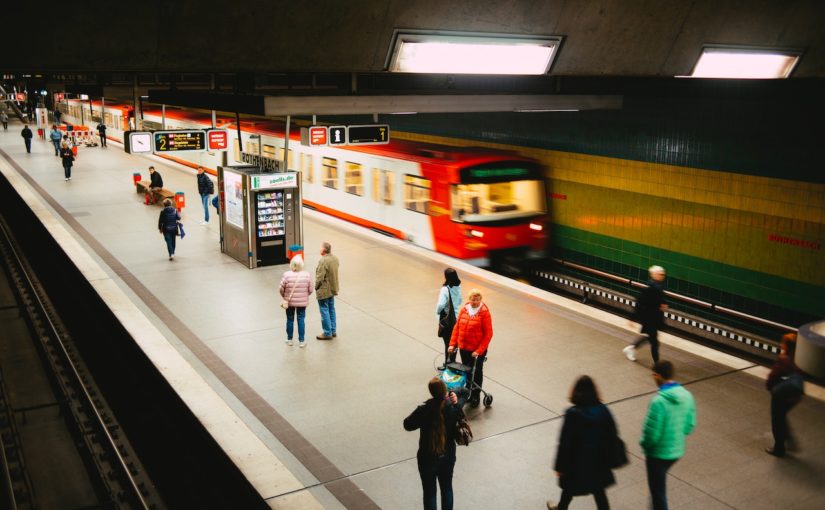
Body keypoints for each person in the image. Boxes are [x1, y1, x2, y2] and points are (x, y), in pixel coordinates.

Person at [548, 376, 618, 510]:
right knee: (599, 491)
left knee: (569, 488)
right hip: (598, 461)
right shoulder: (603, 410)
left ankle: (561, 508)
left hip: (576, 462)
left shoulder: (572, 414)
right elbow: (612, 434)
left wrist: (560, 467)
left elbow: (565, 443)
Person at [640, 360, 696, 510]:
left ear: (658, 375)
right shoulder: (687, 395)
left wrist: (644, 445)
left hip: (657, 454)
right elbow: (689, 426)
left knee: (658, 493)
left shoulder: (658, 402)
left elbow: (651, 434)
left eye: (653, 375)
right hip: (676, 451)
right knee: (657, 488)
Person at [404, 377, 464, 510]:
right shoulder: (453, 408)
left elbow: (407, 425)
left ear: (431, 392)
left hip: (427, 457)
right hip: (448, 456)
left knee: (430, 493)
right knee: (447, 488)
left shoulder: (423, 410)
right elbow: (465, 391)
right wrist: (455, 394)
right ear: (445, 390)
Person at [447, 289, 493, 407]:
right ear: (469, 299)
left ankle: (475, 395)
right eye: (473, 299)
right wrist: (452, 344)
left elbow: (488, 334)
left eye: (478, 299)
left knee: (476, 372)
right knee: (466, 371)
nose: (475, 302)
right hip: (464, 348)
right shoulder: (464, 310)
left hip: (477, 350)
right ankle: (468, 392)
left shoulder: (484, 313)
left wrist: (479, 350)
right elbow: (457, 328)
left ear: (480, 300)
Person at [765, 333, 804, 457]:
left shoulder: (784, 359)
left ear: (786, 345)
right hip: (796, 394)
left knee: (777, 419)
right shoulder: (800, 360)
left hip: (781, 394)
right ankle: (788, 438)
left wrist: (770, 386)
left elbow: (773, 376)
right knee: (781, 416)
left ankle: (779, 448)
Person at [624, 265, 667, 362]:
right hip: (649, 318)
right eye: (660, 274)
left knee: (650, 337)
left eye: (663, 274)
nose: (663, 276)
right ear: (654, 275)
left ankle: (631, 348)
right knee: (655, 342)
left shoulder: (658, 286)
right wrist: (632, 318)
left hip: (655, 317)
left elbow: (659, 299)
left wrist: (663, 304)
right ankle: (657, 365)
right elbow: (639, 303)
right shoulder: (650, 288)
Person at [279, 254, 313, 347]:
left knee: (290, 320)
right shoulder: (307, 275)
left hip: (289, 302)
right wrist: (304, 296)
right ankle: (302, 341)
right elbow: (310, 290)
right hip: (302, 303)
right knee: (301, 320)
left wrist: (285, 297)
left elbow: (281, 288)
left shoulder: (286, 275)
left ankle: (289, 340)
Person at [436, 268, 462, 367]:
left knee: (448, 342)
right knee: (454, 341)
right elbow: (460, 301)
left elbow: (440, 305)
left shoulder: (445, 289)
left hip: (447, 319)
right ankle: (452, 361)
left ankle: (448, 364)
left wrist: (438, 312)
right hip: (457, 317)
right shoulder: (458, 286)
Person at [315, 241, 339, 340]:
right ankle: (333, 330)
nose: (319, 249)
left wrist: (316, 286)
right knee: (331, 309)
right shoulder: (335, 258)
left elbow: (320, 277)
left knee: (324, 310)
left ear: (324, 250)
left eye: (320, 247)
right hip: (332, 288)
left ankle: (327, 332)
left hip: (324, 290)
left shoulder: (323, 261)